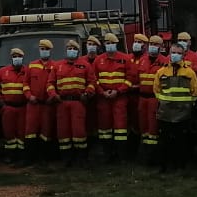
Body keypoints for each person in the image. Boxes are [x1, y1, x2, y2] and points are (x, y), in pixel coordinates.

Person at [153, 47, 197, 173]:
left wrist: (188, 105)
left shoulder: (189, 73)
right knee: (164, 141)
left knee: (181, 142)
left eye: (179, 53)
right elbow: (156, 90)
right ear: (169, 54)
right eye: (173, 52)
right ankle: (163, 166)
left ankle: (180, 166)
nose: (175, 55)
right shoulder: (161, 72)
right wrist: (163, 102)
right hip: (165, 113)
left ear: (183, 55)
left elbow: (195, 91)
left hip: (183, 114)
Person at [91, 31, 135, 161]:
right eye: (107, 43)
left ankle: (121, 155)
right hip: (103, 98)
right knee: (105, 127)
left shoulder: (125, 59)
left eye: (112, 43)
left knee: (120, 127)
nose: (109, 45)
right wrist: (102, 92)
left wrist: (119, 91)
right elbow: (94, 79)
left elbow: (129, 79)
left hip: (119, 98)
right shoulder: (98, 60)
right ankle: (107, 154)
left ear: (117, 44)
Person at [51, 38, 95, 166]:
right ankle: (66, 159)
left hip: (78, 103)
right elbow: (50, 84)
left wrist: (87, 94)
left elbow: (92, 83)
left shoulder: (85, 65)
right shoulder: (57, 66)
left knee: (79, 131)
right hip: (62, 103)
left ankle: (82, 158)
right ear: (66, 51)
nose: (71, 51)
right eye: (69, 48)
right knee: (63, 132)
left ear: (78, 51)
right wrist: (54, 95)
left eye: (74, 49)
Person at [0, 47, 30, 164]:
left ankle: (22, 156)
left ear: (23, 58)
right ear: (11, 58)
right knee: (9, 132)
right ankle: (10, 155)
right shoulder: (3, 71)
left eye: (19, 56)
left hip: (23, 107)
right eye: (14, 57)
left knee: (22, 133)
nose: (17, 59)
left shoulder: (27, 72)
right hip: (8, 107)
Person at [22, 39, 58, 164]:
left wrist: (52, 97)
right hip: (33, 104)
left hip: (47, 105)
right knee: (30, 131)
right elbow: (25, 84)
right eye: (42, 49)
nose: (44, 51)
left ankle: (44, 158)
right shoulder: (31, 65)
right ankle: (28, 158)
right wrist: (29, 96)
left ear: (50, 51)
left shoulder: (55, 66)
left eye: (46, 49)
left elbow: (56, 84)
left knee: (46, 131)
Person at [133, 35, 164, 162]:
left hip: (154, 99)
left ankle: (154, 156)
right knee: (143, 127)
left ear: (161, 47)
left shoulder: (165, 61)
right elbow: (136, 78)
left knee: (153, 128)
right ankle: (144, 155)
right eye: (151, 43)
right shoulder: (142, 60)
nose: (152, 46)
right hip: (142, 99)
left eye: (156, 44)